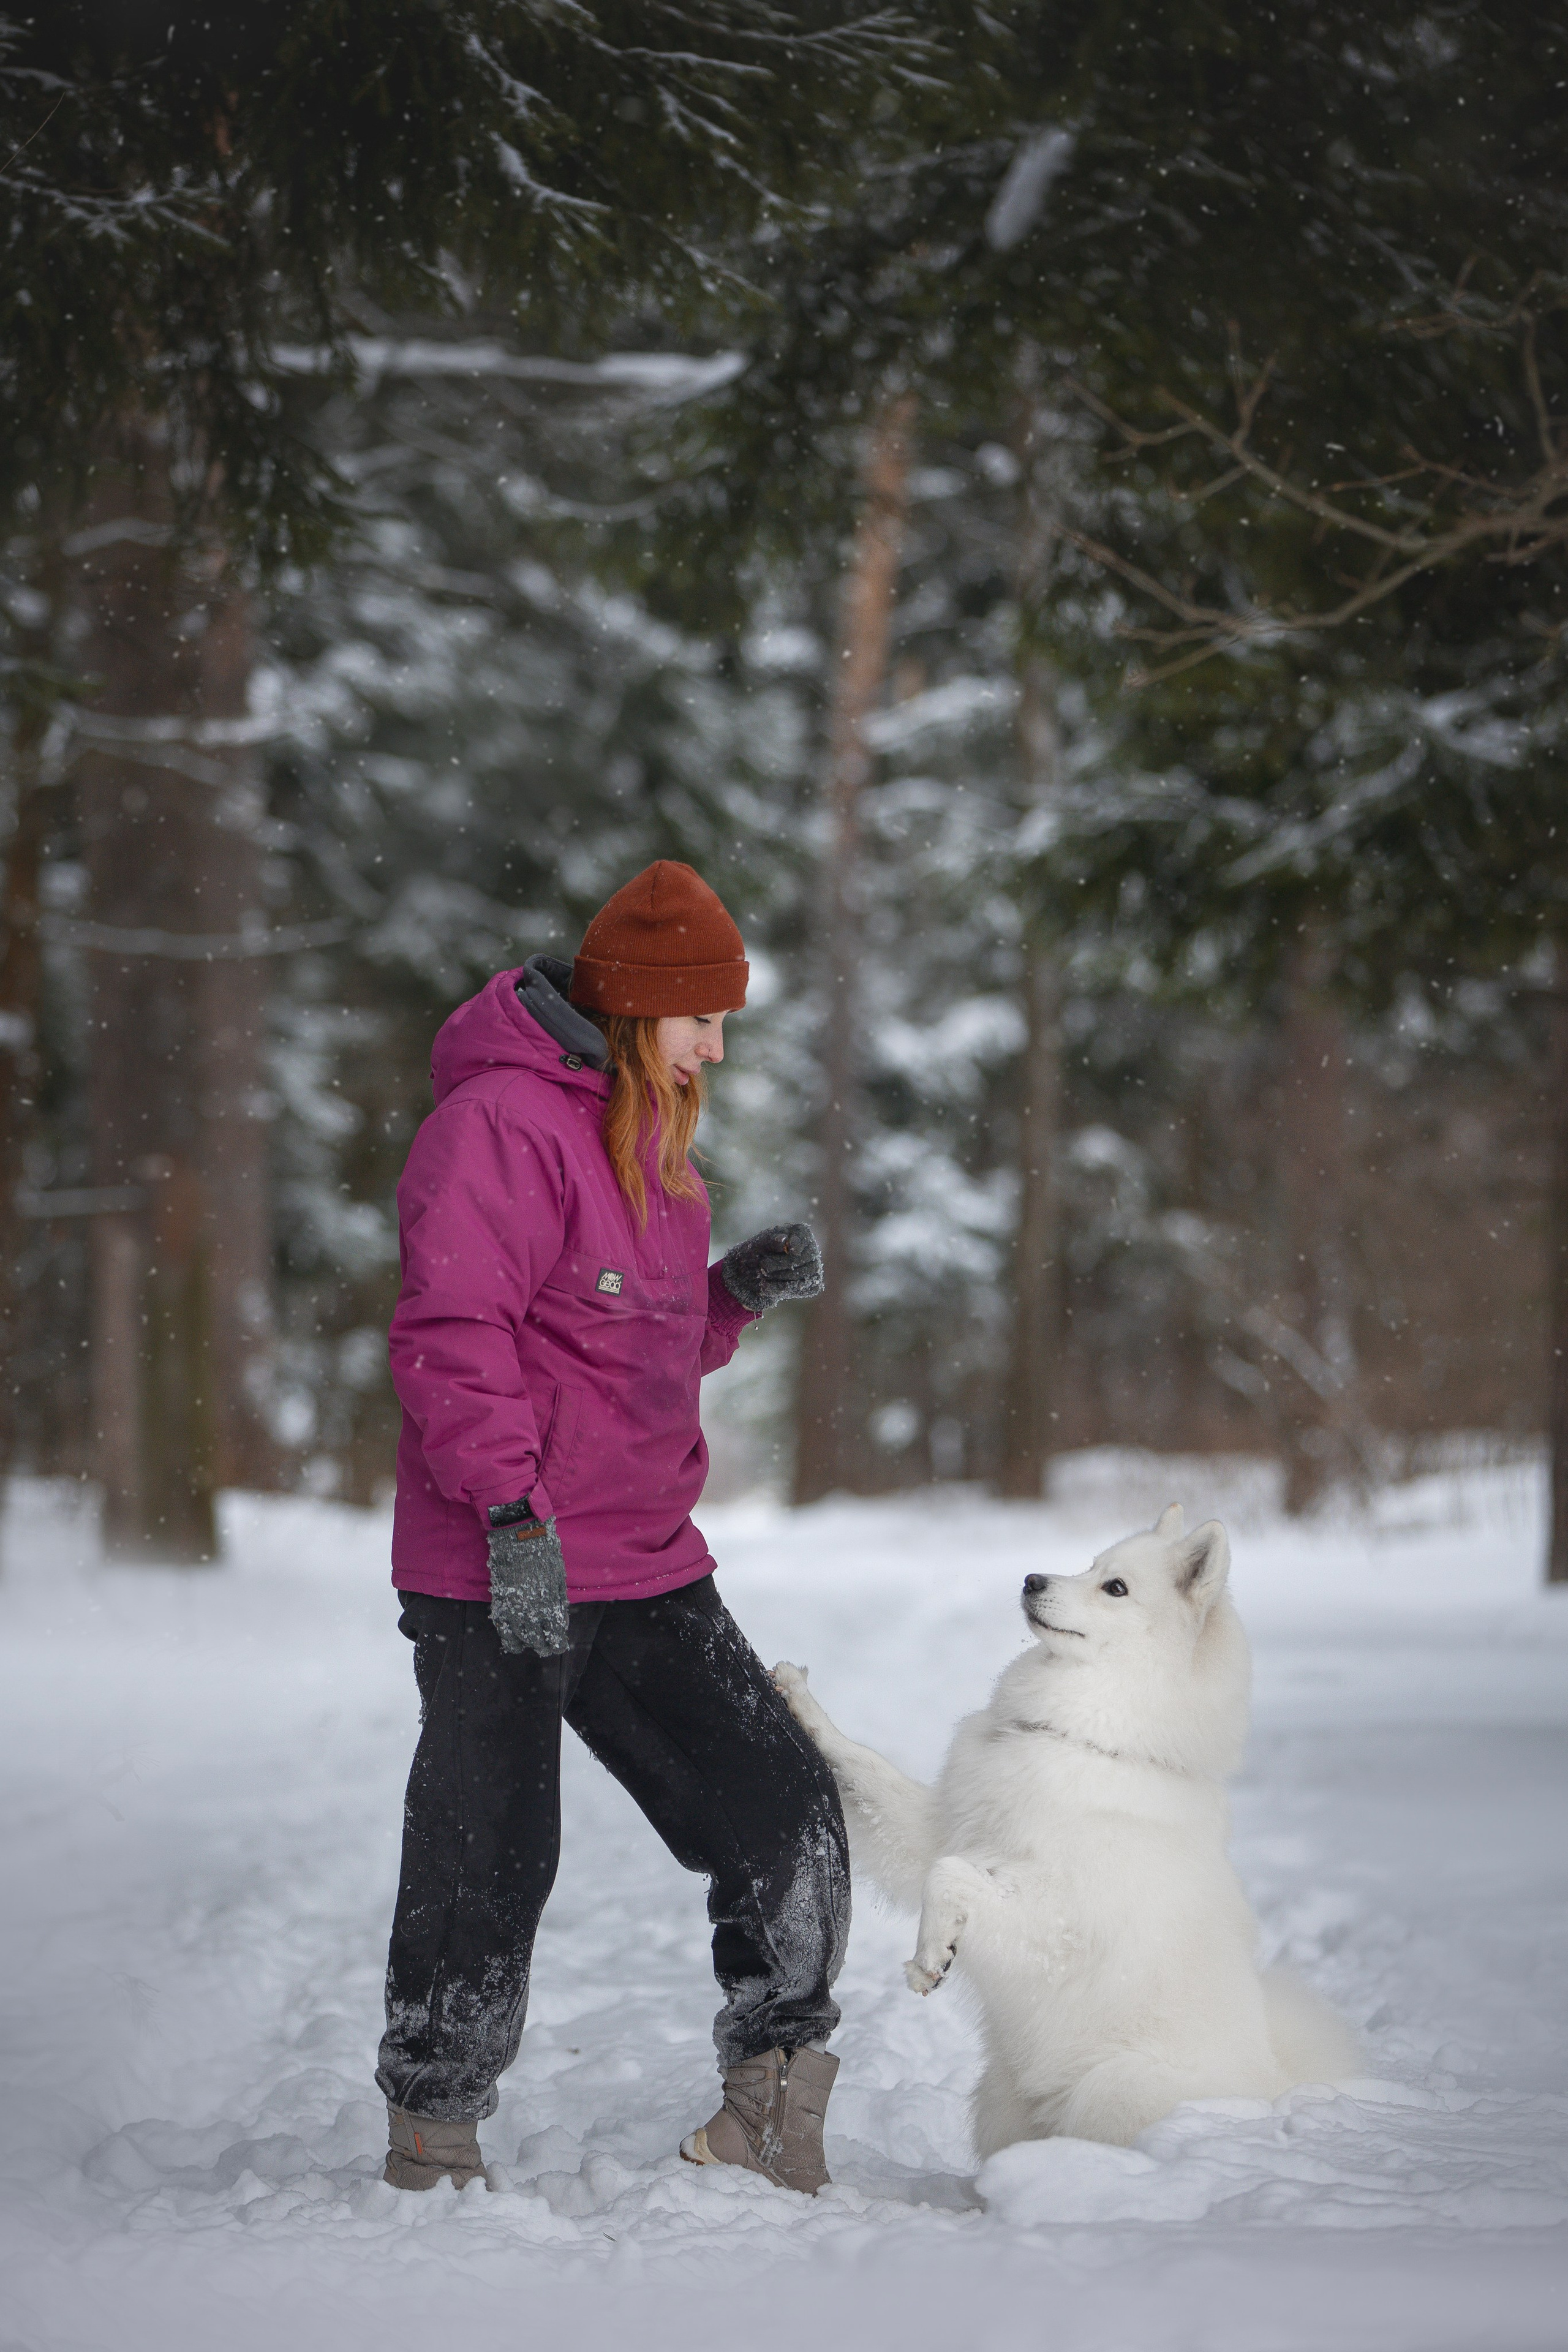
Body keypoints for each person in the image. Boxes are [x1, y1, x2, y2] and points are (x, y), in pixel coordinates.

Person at [375, 860, 850, 2196]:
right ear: (641, 1011)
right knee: (491, 1844)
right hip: (499, 1556)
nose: (716, 1045)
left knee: (784, 1807)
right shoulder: (495, 1130)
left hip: (643, 1559)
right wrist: (512, 1515)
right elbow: (452, 1340)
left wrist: (726, 1297)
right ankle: (435, 2120)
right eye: (702, 1019)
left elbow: (615, 1346)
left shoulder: (654, 1139)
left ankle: (767, 2101)